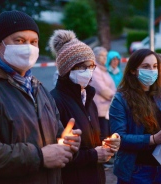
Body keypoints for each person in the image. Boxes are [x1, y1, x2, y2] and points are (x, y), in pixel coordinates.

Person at [0, 10, 82, 184]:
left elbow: (57, 136)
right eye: (19, 40)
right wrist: (40, 157)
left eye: (33, 42)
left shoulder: (37, 87)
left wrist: (68, 144)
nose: (28, 47)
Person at [49, 29, 121, 184]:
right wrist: (94, 155)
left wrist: (108, 144)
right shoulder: (54, 101)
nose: (88, 72)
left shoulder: (88, 98)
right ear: (66, 69)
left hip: (96, 177)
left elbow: (94, 141)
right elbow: (55, 153)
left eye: (91, 66)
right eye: (82, 67)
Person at [109, 48, 161, 184]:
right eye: (145, 66)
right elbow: (119, 138)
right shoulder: (121, 99)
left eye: (155, 66)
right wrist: (152, 139)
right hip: (137, 170)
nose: (152, 71)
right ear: (133, 70)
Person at [91, 46, 116, 141]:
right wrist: (117, 97)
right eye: (102, 55)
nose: (105, 58)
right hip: (100, 109)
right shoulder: (95, 70)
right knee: (103, 136)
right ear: (95, 56)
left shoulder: (103, 69)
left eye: (106, 55)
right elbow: (103, 90)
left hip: (107, 109)